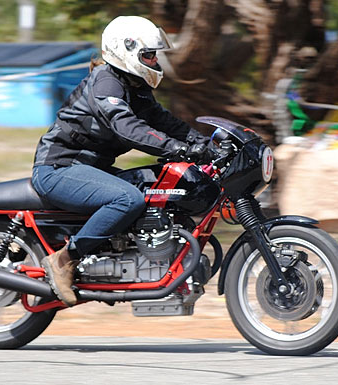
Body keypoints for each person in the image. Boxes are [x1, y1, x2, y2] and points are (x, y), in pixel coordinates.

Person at [32, 16, 210, 307]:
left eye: (154, 56)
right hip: (59, 168)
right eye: (148, 55)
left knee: (157, 189)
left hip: (88, 170)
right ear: (125, 51)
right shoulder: (106, 83)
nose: (154, 62)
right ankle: (63, 260)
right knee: (128, 200)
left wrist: (203, 142)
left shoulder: (134, 86)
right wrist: (176, 147)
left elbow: (163, 121)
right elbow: (126, 126)